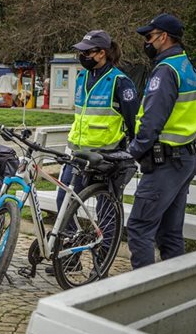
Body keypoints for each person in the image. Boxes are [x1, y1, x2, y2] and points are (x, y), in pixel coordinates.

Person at [46, 30, 139, 275]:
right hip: (78, 155)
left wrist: (130, 153)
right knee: (63, 202)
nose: (82, 55)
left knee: (106, 211)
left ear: (102, 53)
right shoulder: (82, 78)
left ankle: (102, 264)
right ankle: (70, 258)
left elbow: (133, 122)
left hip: (106, 157)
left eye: (87, 51)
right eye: (81, 51)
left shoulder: (120, 82)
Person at [127, 13, 196, 269]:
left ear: (164, 37)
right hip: (186, 158)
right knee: (170, 234)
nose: (147, 42)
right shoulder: (187, 67)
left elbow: (152, 120)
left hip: (167, 161)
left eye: (149, 36)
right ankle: (171, 297)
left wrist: (134, 151)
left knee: (140, 227)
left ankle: (142, 296)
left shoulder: (166, 70)